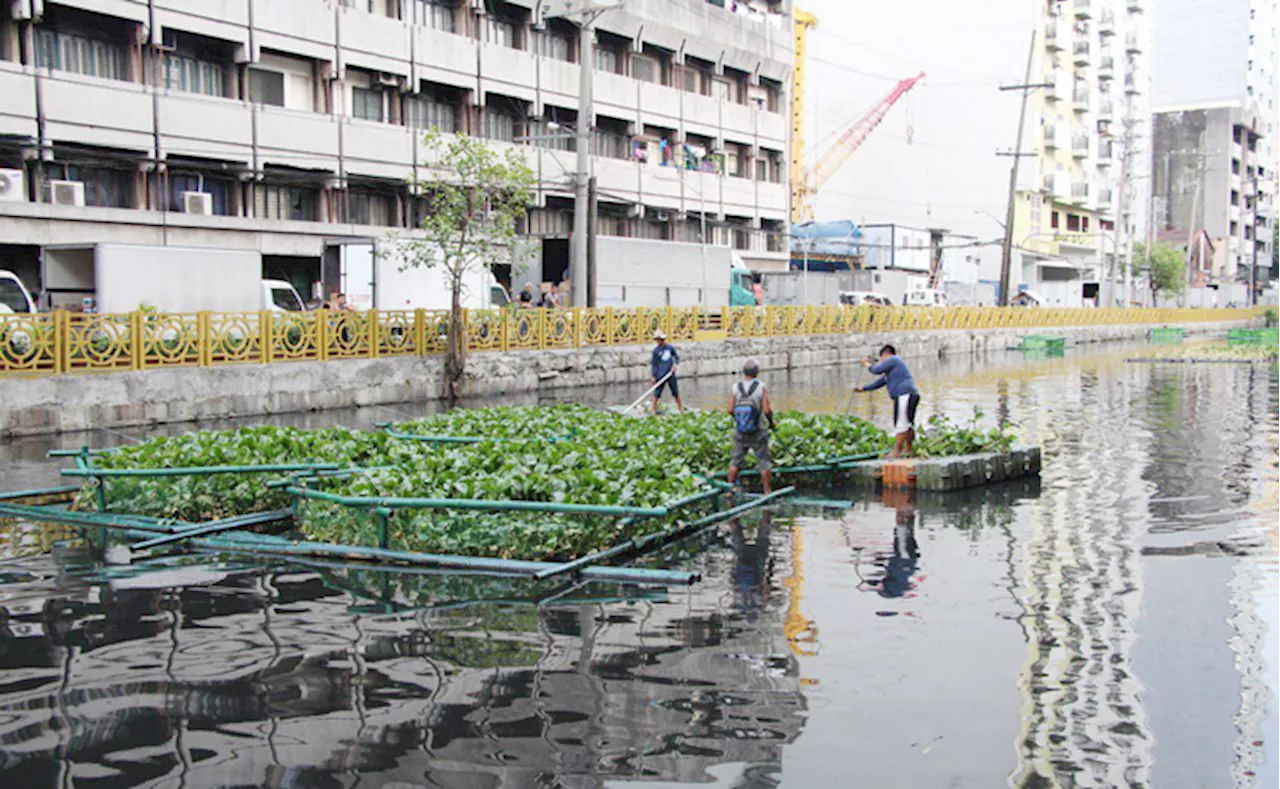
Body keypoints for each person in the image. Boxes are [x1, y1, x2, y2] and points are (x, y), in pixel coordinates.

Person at [853, 344, 920, 458]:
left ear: (885, 355)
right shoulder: (892, 371)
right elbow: (878, 382)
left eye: (882, 359)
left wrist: (866, 364)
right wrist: (863, 389)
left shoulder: (894, 359)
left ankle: (896, 452)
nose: (882, 362)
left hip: (904, 394)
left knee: (901, 423)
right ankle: (908, 449)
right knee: (908, 424)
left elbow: (876, 370)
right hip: (910, 394)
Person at [727, 358, 774, 494]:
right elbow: (767, 410)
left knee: (735, 461)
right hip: (758, 430)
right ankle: (767, 491)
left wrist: (741, 420)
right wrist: (771, 423)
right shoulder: (761, 387)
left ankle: (729, 490)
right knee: (764, 461)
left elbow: (730, 409)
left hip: (740, 431)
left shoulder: (736, 387)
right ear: (757, 372)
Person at [650, 329, 684, 414]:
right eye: (658, 340)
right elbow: (654, 364)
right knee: (657, 394)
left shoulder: (669, 348)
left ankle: (681, 410)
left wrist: (675, 365)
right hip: (660, 375)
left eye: (660, 340)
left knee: (675, 393)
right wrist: (654, 376)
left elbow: (677, 357)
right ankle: (653, 411)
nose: (659, 341)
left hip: (670, 374)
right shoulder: (656, 351)